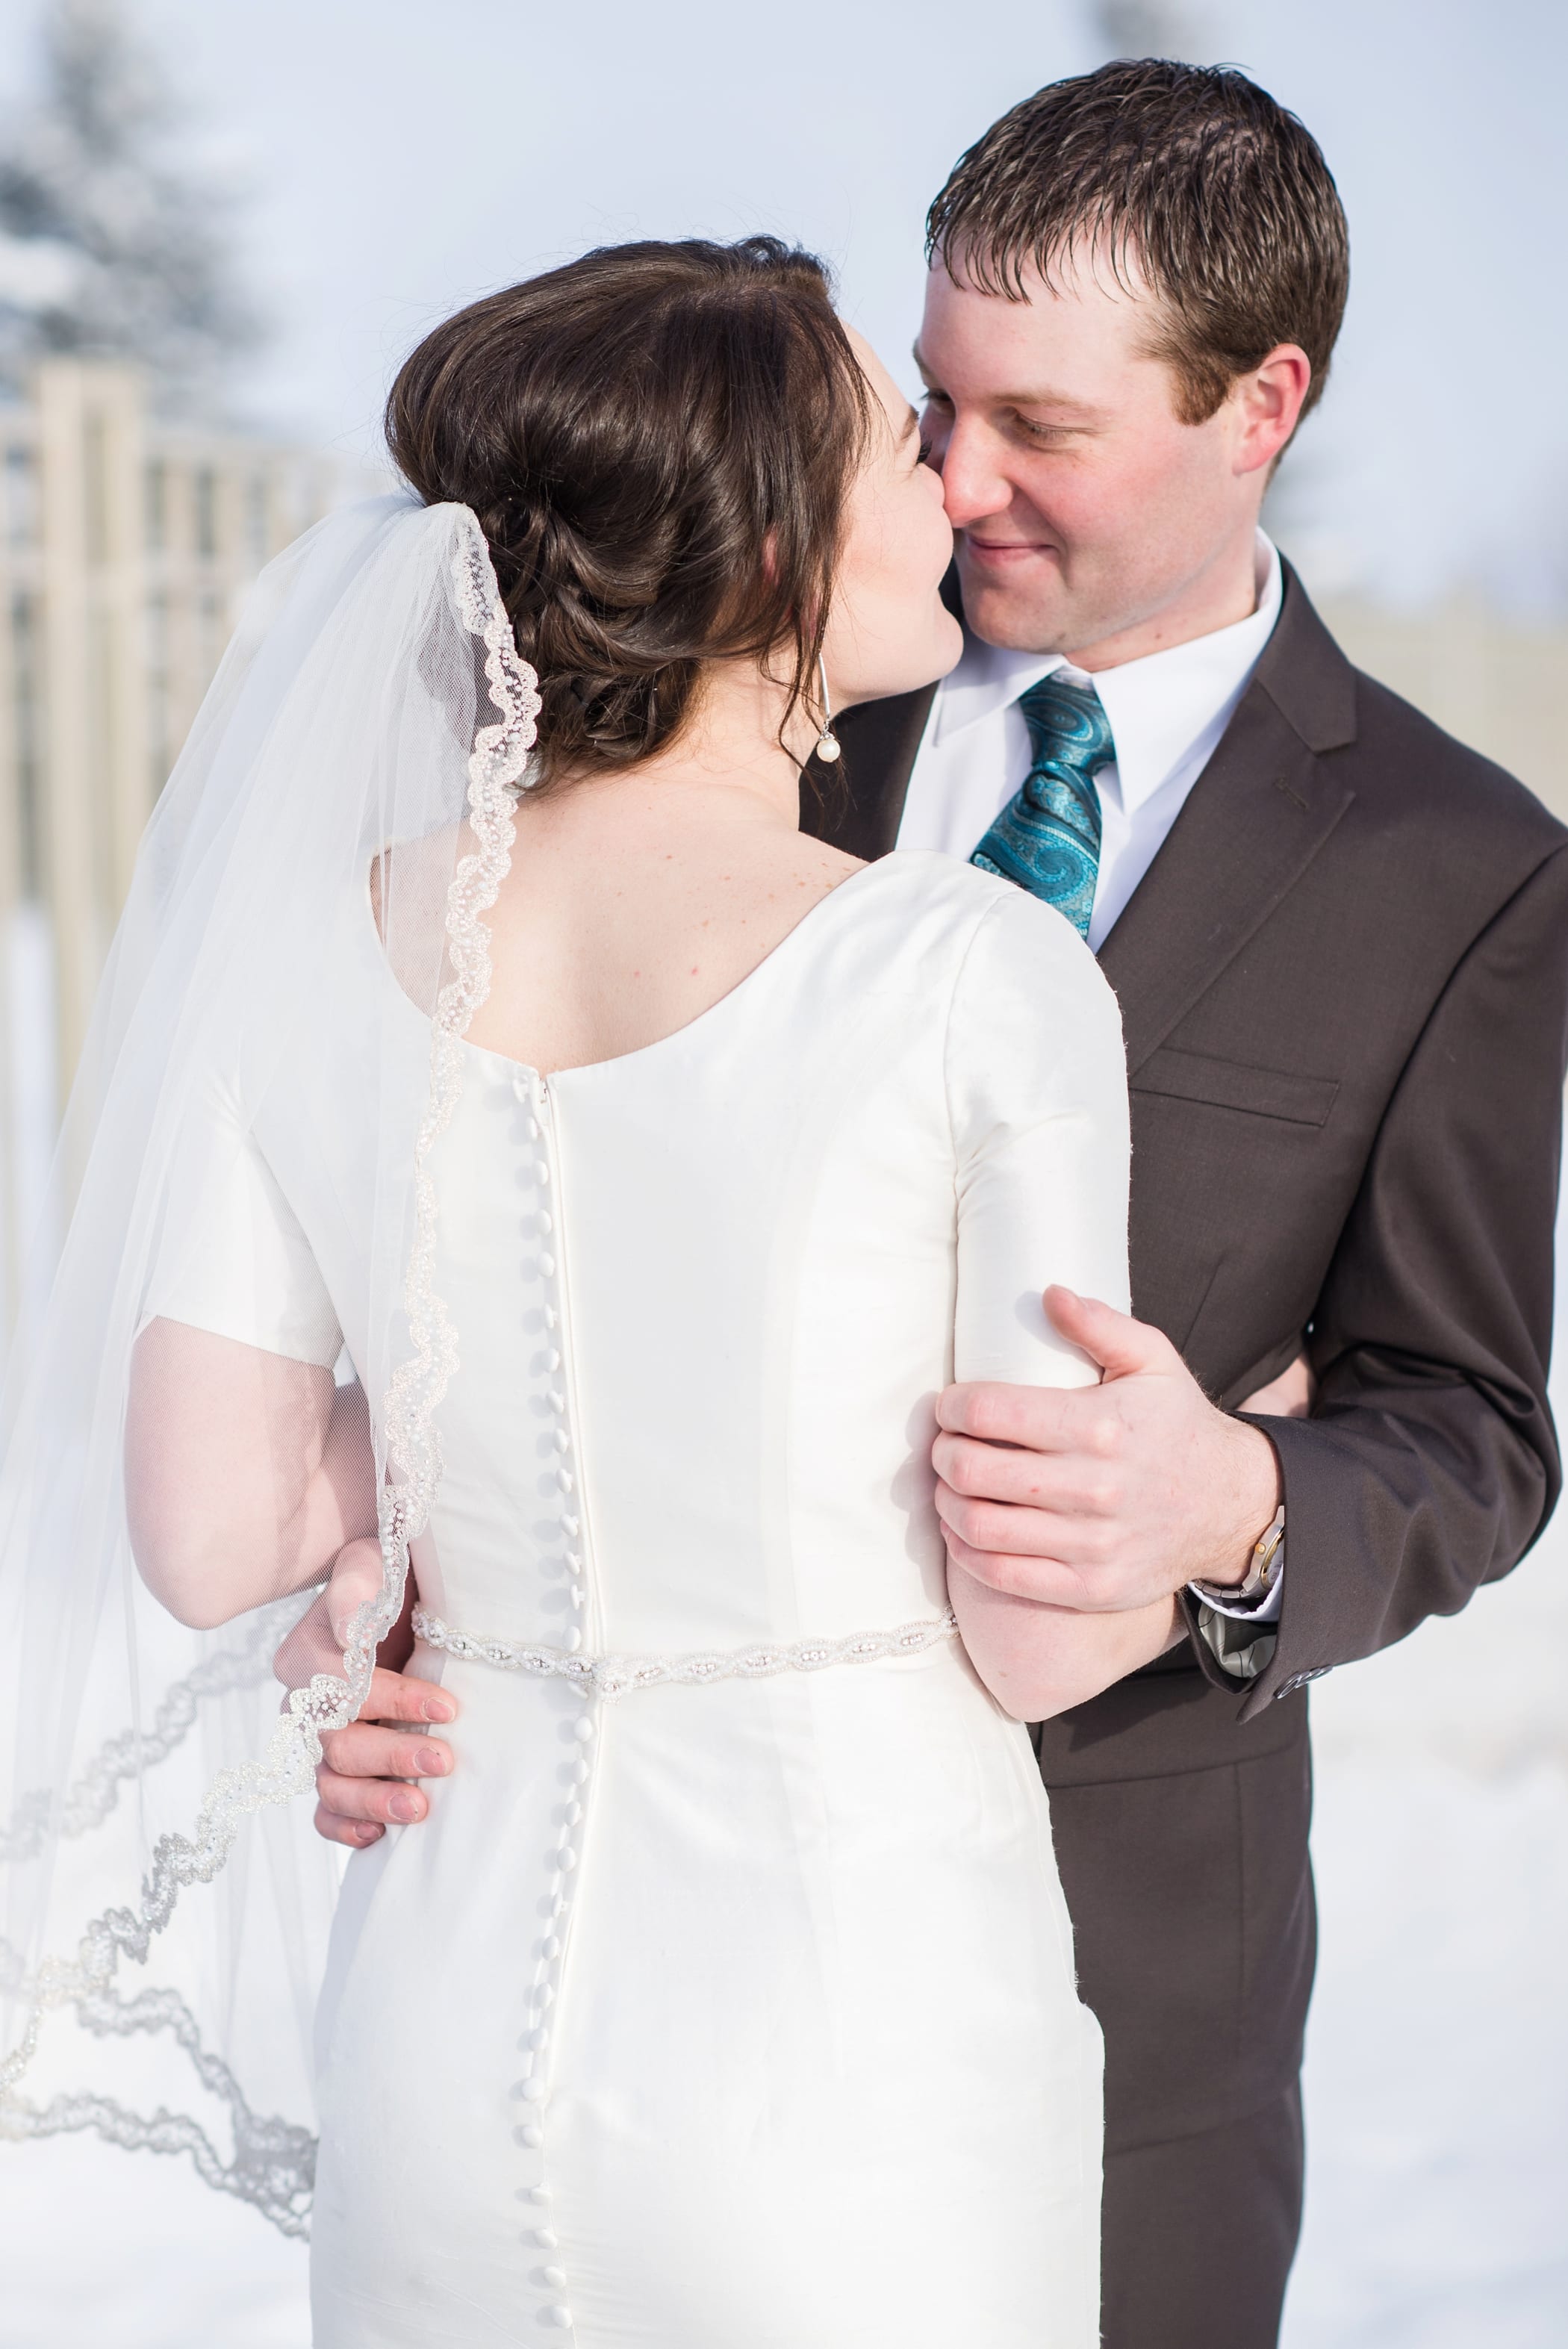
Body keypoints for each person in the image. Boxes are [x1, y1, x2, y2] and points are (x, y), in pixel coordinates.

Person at [314, 64, 1568, 2349]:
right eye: (934, 402)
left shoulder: (1451, 868)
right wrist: (373, 1584)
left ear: (1257, 403)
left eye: (1045, 428)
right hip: (601, 1946)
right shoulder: (752, 698)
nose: (956, 483)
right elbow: (469, 1256)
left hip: (1126, 1963)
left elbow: (1471, 1421)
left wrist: (1237, 1496)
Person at [28, 237, 1177, 2345]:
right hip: (854, 2059)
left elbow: (208, 1528)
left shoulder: (302, 945)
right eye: (887, 447)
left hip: (446, 2041)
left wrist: (426, 1471)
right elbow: (1033, 1630)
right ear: (763, 546)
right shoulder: (960, 966)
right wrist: (1199, 1476)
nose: (941, 486)